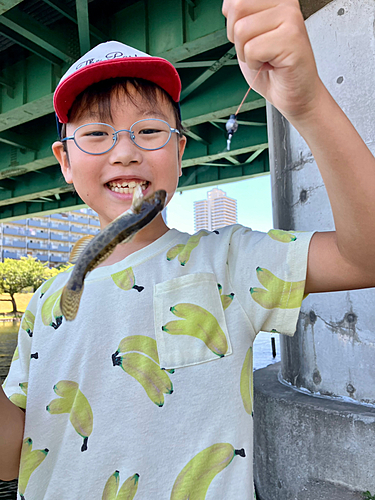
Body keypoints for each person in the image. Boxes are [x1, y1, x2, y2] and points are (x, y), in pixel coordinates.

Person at [1, 0, 375, 498]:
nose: (125, 150)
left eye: (150, 131)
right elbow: (11, 458)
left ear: (180, 151)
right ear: (64, 161)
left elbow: (362, 255)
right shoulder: (44, 306)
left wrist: (306, 104)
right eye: (95, 134)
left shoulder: (230, 261)